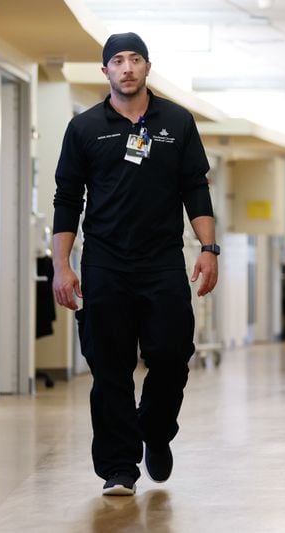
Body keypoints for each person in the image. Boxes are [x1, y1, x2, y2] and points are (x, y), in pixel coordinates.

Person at [51, 32, 219, 497]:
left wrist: (208, 249)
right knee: (110, 368)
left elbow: (195, 188)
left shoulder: (177, 122)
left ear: (148, 68)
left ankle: (157, 430)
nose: (127, 68)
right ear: (105, 71)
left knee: (172, 355)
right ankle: (119, 466)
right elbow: (67, 201)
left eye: (136, 59)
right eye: (117, 61)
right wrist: (62, 265)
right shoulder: (84, 128)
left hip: (163, 261)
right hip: (105, 262)